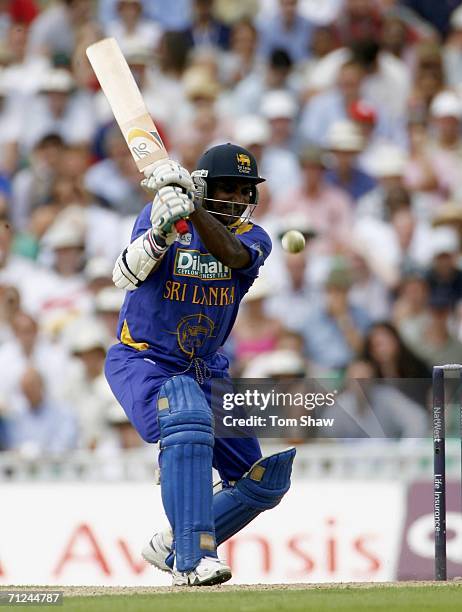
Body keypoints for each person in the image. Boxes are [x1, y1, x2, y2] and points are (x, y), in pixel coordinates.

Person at [104, 143, 296, 586]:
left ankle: (172, 544)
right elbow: (125, 276)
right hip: (145, 360)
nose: (235, 199)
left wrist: (191, 207)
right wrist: (161, 234)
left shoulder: (254, 238)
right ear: (205, 185)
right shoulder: (160, 211)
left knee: (262, 481)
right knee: (186, 412)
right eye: (226, 189)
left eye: (244, 192)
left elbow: (230, 256)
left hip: (207, 369)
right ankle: (192, 559)